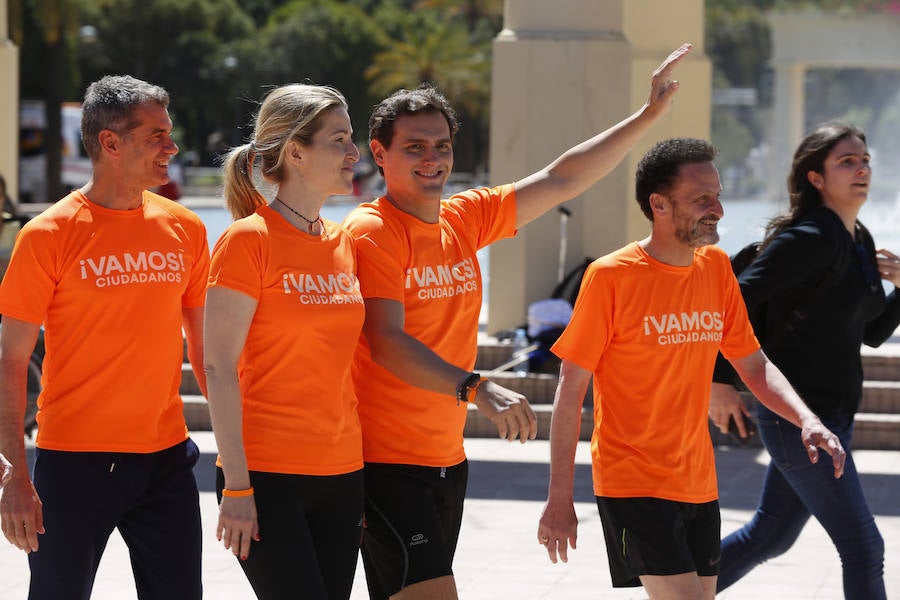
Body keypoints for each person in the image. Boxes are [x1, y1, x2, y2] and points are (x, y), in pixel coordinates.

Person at [344, 43, 693, 600]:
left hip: (444, 458)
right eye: (414, 147)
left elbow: (561, 179)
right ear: (379, 154)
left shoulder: (462, 218)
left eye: (442, 146)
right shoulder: (372, 233)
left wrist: (647, 116)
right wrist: (475, 388)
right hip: (384, 461)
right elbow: (385, 341)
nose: (432, 158)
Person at [536, 137, 846, 600]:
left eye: (717, 195)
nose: (717, 208)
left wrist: (807, 418)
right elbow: (571, 387)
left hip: (698, 481)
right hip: (632, 480)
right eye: (702, 198)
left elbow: (755, 366)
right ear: (658, 204)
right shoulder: (610, 276)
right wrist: (559, 498)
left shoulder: (716, 268)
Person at [0, 75, 208, 600]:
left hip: (166, 461)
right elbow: (10, 360)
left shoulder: (186, 228)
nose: (172, 147)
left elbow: (207, 354)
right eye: (156, 135)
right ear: (111, 143)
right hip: (73, 464)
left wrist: (242, 451)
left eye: (170, 132)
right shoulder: (48, 234)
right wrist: (14, 477)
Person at [709, 121, 900, 599]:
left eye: (865, 160)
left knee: (770, 534)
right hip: (797, 416)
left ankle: (680, 595)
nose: (861, 170)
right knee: (863, 547)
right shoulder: (810, 237)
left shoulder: (857, 238)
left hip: (833, 415)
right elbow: (732, 302)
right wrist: (719, 381)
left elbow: (872, 332)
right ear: (816, 178)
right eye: (846, 162)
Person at [204, 84, 365, 600]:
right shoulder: (247, 240)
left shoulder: (342, 241)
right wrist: (237, 486)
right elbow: (218, 369)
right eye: (339, 139)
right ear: (296, 152)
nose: (354, 153)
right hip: (267, 475)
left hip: (342, 471)